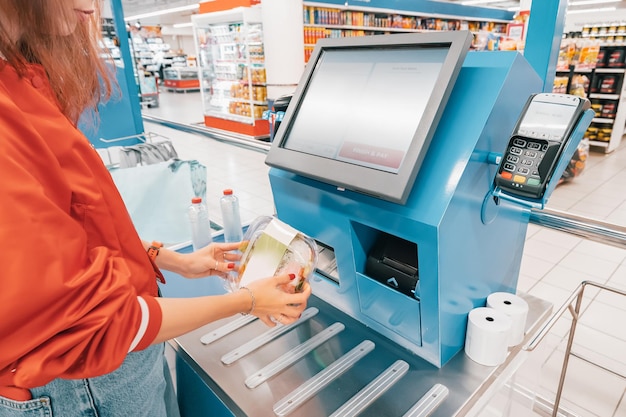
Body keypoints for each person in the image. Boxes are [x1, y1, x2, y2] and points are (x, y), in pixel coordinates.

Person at [0, 1, 311, 416]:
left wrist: (170, 260)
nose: (91, 7)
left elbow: (75, 237)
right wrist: (246, 302)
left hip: (114, 370)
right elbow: (93, 324)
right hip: (82, 386)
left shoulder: (22, 84)